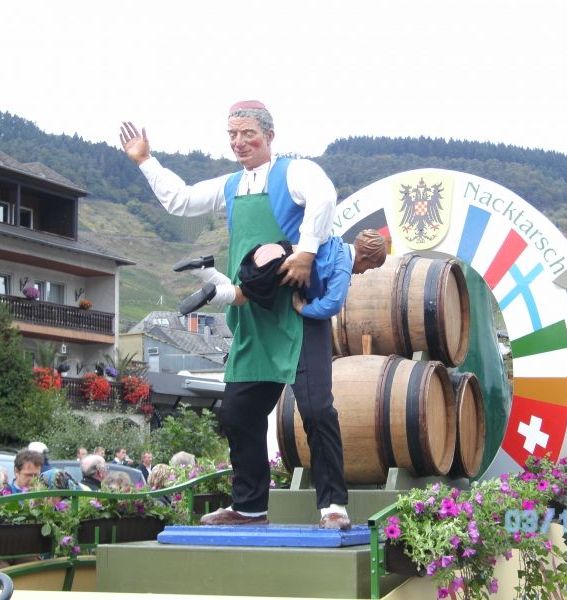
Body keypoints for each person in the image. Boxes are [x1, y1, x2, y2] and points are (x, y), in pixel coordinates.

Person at [120, 100, 350, 530]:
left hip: (297, 311)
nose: (239, 142)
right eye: (232, 135)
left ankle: (333, 506)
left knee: (317, 410)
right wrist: (146, 160)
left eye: (248, 134)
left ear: (269, 136)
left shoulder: (294, 172)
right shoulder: (230, 184)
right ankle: (248, 507)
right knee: (238, 414)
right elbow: (180, 200)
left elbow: (324, 197)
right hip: (252, 318)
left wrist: (306, 251)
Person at [183, 229, 387, 319]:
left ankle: (204, 268)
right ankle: (213, 295)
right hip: (280, 267)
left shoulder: (338, 243)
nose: (362, 273)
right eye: (368, 268)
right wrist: (304, 308)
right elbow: (332, 304)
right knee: (243, 297)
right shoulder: (344, 268)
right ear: (365, 258)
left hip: (276, 250)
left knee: (242, 284)